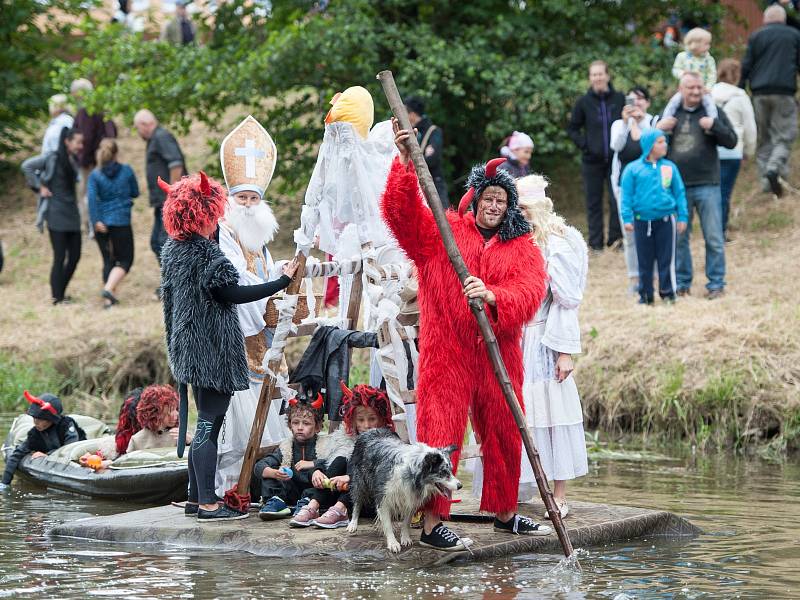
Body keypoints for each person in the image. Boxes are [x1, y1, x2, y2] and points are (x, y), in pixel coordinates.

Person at [381, 120, 550, 551]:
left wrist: (494, 296)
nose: (494, 205)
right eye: (488, 198)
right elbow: (401, 217)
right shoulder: (444, 231)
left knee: (504, 432)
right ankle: (433, 521)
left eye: (501, 200)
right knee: (441, 435)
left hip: (498, 352)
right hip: (447, 352)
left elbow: (532, 291)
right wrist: (404, 164)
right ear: (474, 200)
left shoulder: (522, 246)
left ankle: (506, 513)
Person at [159, 171, 298, 521]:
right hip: (213, 351)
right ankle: (208, 503)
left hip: (187, 350)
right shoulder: (206, 254)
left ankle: (195, 498)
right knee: (209, 425)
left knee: (205, 425)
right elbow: (232, 293)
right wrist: (281, 281)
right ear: (205, 213)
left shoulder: (175, 250)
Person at [214, 115, 289, 498]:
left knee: (269, 419)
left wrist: (284, 273)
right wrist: (270, 287)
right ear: (231, 200)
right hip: (238, 333)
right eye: (241, 198)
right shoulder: (225, 232)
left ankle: (261, 486)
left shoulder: (259, 234)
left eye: (253, 198)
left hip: (264, 333)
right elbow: (238, 279)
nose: (247, 204)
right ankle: (230, 487)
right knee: (238, 422)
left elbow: (263, 269)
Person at [514, 175, 589, 517]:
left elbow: (567, 299)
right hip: (516, 337)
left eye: (526, 208)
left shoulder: (558, 242)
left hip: (544, 338)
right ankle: (528, 485)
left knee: (553, 413)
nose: (520, 214)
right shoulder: (515, 239)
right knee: (525, 414)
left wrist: (564, 351)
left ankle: (558, 494)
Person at [658, 72, 737, 300]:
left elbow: (732, 141)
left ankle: (716, 284)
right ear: (681, 89)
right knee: (680, 238)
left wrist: (715, 125)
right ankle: (682, 284)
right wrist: (660, 128)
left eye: (699, 88)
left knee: (713, 237)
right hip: (677, 186)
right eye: (690, 88)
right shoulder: (671, 113)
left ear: (704, 89)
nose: (695, 92)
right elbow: (651, 144)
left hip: (708, 184)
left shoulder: (712, 111)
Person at [289, 384, 395, 528]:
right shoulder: (346, 439)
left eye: (372, 419)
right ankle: (313, 506)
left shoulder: (388, 442)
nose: (367, 425)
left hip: (371, 500)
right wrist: (317, 472)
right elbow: (328, 463)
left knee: (355, 470)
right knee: (340, 460)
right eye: (361, 420)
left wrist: (350, 479)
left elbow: (385, 477)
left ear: (382, 419)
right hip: (339, 492)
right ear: (353, 420)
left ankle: (341, 509)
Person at [255, 399, 354, 521]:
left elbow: (334, 464)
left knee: (320, 474)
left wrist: (312, 464)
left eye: (306, 423)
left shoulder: (326, 444)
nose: (300, 428)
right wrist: (275, 473)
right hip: (291, 491)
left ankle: (307, 505)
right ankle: (276, 501)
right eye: (296, 423)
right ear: (290, 425)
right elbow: (260, 466)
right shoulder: (286, 447)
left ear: (317, 427)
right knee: (270, 472)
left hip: (314, 492)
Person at [620, 131, 689, 305]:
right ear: (650, 146)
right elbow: (626, 196)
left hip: (665, 220)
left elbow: (679, 193)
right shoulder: (632, 169)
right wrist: (627, 218)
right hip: (642, 221)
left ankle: (668, 293)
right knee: (644, 259)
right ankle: (645, 295)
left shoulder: (669, 167)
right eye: (659, 142)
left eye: (664, 141)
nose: (664, 145)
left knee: (666, 259)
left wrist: (682, 216)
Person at [739, 4, 800, 197]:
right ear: (783, 18)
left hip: (759, 93)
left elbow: (746, 63)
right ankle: (775, 169)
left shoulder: (756, 36)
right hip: (784, 92)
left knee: (763, 138)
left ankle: (767, 183)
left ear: (765, 19)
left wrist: (740, 89)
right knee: (784, 135)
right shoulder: (794, 35)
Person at [567, 60, 625, 252]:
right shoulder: (583, 102)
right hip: (592, 160)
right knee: (593, 202)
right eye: (594, 75)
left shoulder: (619, 99)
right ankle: (595, 243)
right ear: (590, 78)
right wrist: (586, 146)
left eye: (601, 74)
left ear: (607, 75)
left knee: (617, 199)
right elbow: (573, 128)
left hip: (616, 159)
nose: (598, 78)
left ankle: (616, 240)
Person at [21, 128, 85, 304]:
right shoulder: (52, 157)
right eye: (78, 142)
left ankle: (61, 292)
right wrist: (39, 187)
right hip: (56, 213)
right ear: (67, 141)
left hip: (72, 213)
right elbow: (27, 166)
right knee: (59, 256)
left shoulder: (73, 160)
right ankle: (57, 297)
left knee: (75, 255)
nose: (81, 146)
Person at [610, 86, 659, 294]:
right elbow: (616, 146)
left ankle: (654, 278)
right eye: (632, 99)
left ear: (647, 103)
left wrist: (642, 122)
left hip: (650, 186)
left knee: (652, 231)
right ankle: (635, 279)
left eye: (640, 99)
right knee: (629, 234)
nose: (636, 103)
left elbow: (653, 145)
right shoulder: (618, 124)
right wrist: (625, 123)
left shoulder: (653, 122)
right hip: (624, 187)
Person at [87, 138, 139, 308]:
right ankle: (109, 289)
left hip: (102, 223)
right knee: (125, 260)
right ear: (116, 153)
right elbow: (135, 192)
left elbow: (92, 200)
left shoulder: (95, 175)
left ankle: (108, 301)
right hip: (121, 221)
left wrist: (95, 221)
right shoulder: (126, 170)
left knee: (108, 261)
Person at [133, 109, 186, 265]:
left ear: (144, 124)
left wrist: (173, 193)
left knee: (164, 242)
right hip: (162, 203)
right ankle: (170, 282)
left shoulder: (161, 136)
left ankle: (175, 283)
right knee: (157, 242)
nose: (138, 132)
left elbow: (176, 164)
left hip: (169, 201)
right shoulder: (155, 138)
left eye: (137, 128)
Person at [712, 59, 757, 239]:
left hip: (711, 151)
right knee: (724, 193)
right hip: (733, 150)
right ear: (737, 75)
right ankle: (720, 231)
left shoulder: (709, 93)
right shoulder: (740, 96)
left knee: (711, 192)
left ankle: (711, 229)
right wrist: (748, 151)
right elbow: (750, 128)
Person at [1, 391, 86, 487]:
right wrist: (4, 483)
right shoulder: (35, 434)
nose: (36, 423)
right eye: (34, 418)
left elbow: (71, 448)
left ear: (52, 419)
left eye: (41, 419)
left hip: (78, 453)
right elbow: (15, 456)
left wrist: (47, 455)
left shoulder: (66, 425)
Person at [71, 78, 115, 237]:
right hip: (105, 158)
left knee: (88, 194)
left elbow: (86, 137)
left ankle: (93, 227)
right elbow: (112, 131)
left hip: (91, 161)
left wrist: (83, 160)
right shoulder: (102, 107)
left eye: (74, 94)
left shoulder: (86, 111)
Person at [663, 28, 719, 122]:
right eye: (706, 44)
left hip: (703, 90)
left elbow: (712, 75)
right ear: (695, 44)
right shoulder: (682, 56)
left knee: (710, 104)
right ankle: (666, 120)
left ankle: (713, 122)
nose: (708, 46)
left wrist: (708, 87)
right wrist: (682, 74)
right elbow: (675, 69)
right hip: (685, 90)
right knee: (674, 101)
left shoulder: (709, 60)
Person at [404, 96, 448, 207]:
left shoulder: (433, 131)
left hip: (434, 185)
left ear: (412, 114)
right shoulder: (407, 132)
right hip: (416, 185)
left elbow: (432, 158)